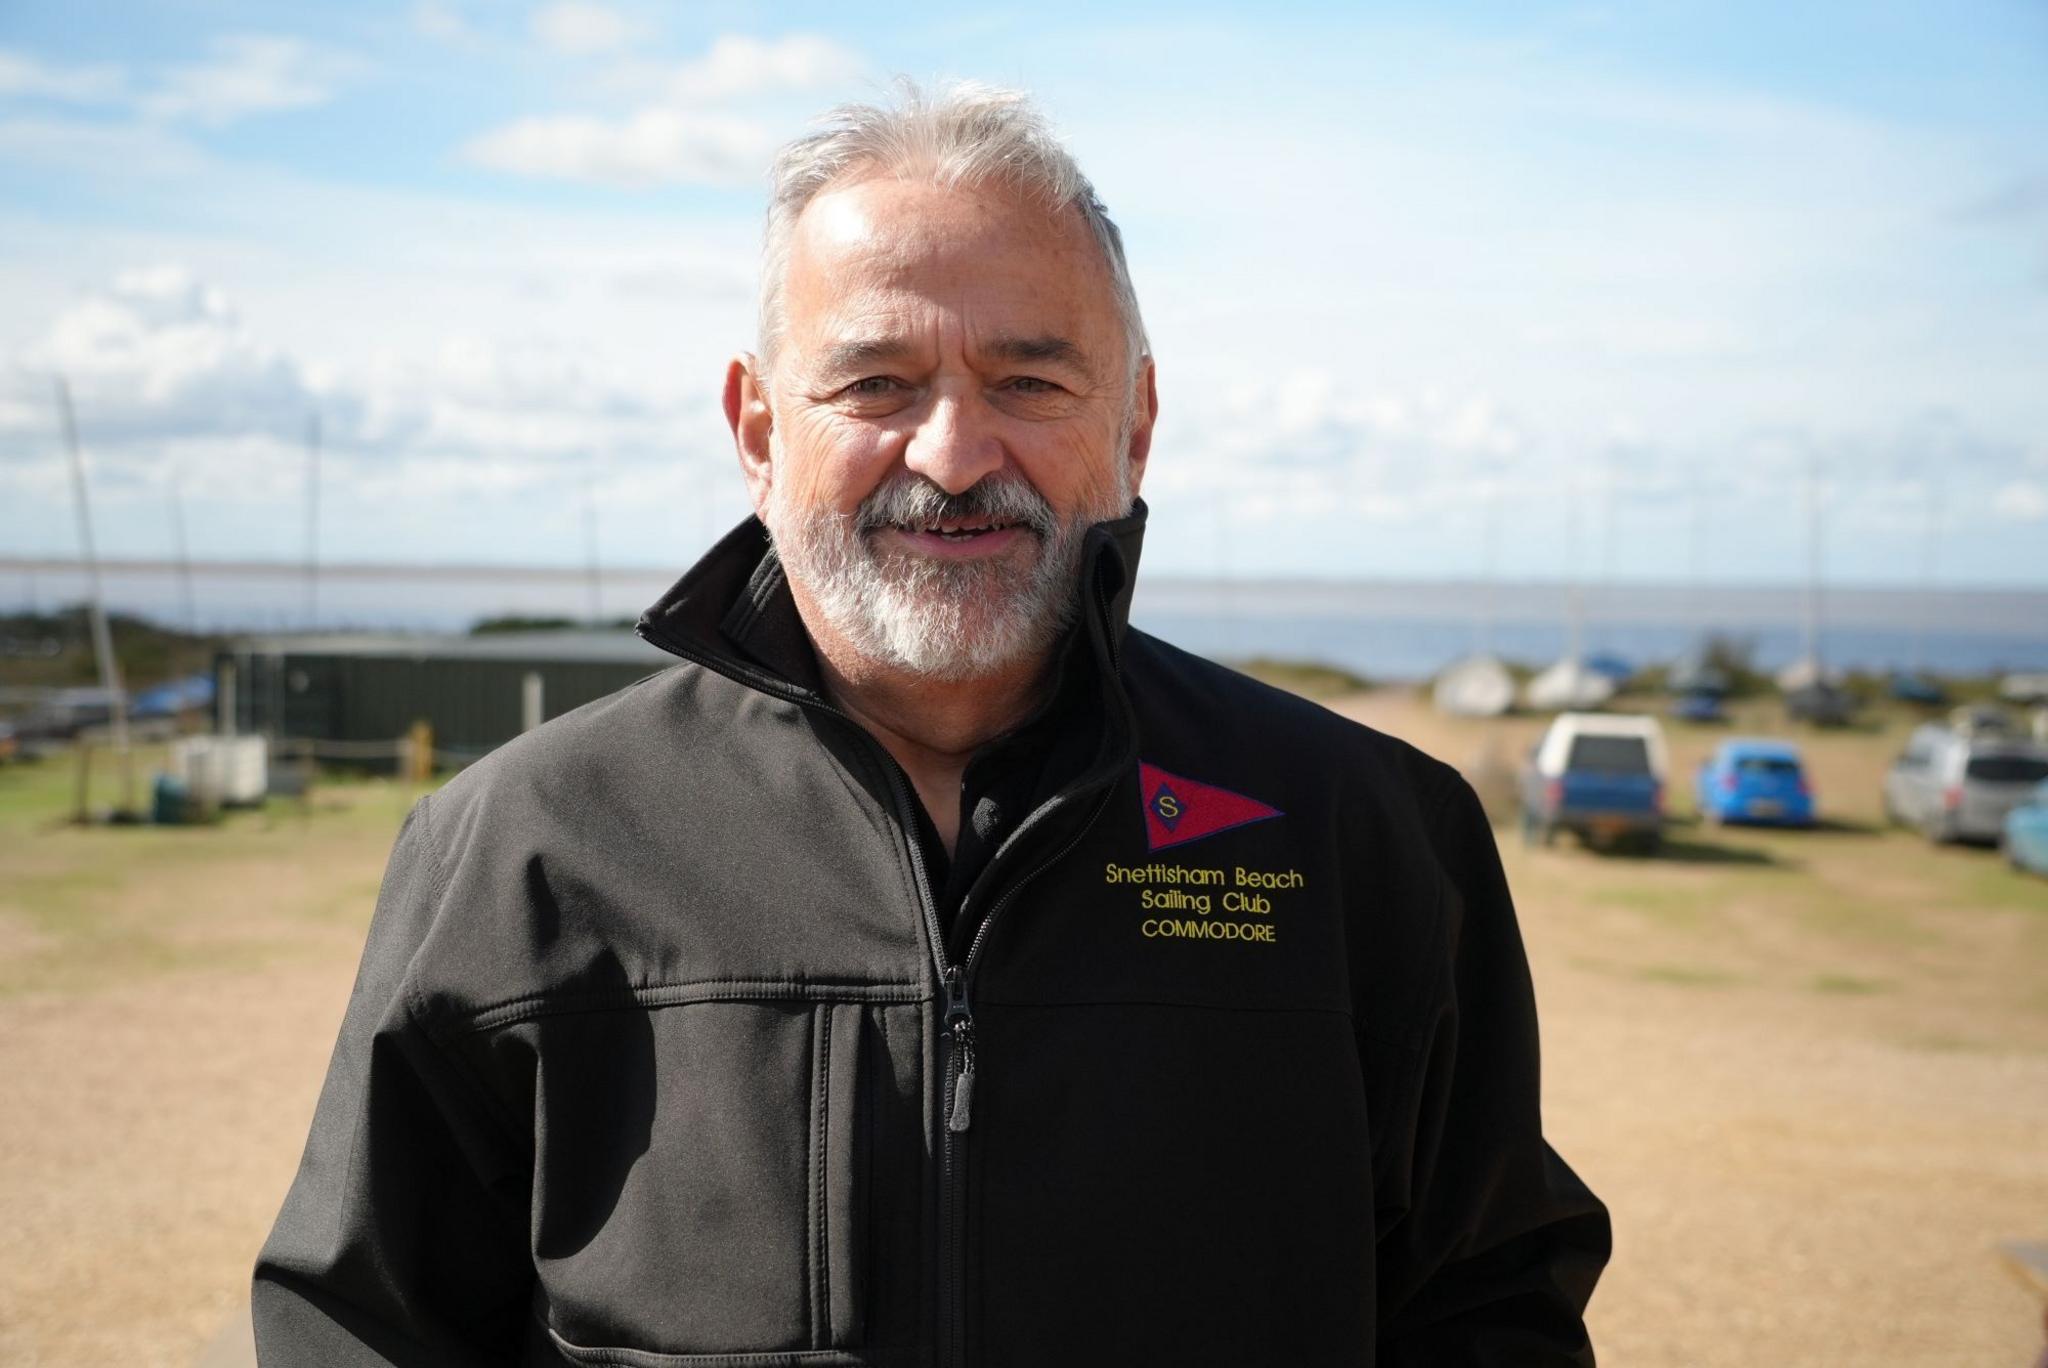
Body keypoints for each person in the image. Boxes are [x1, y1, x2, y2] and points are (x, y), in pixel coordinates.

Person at [253, 81, 1610, 1366]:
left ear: (1133, 423)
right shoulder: (524, 846)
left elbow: (1489, 1312)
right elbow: (359, 1329)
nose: (954, 457)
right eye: (876, 384)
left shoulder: (1364, 834)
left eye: (1030, 382)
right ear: (757, 427)